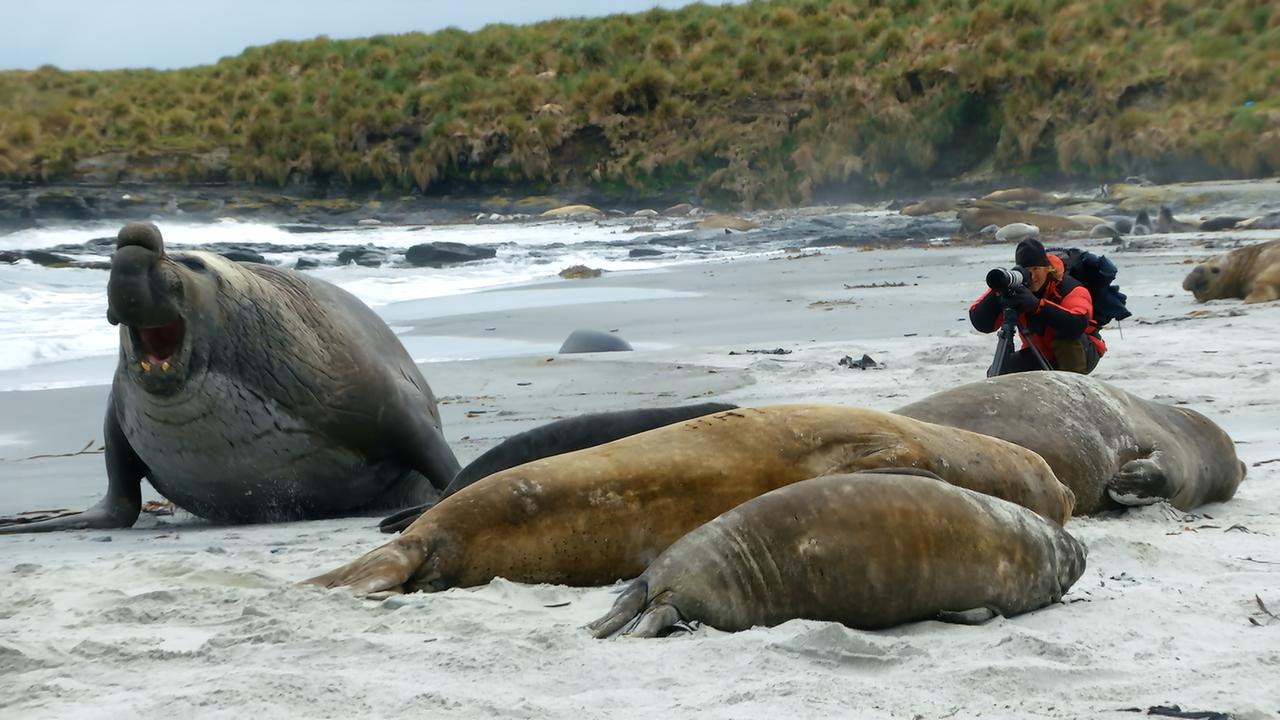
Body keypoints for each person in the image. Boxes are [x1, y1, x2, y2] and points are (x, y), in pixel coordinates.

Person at [970, 238, 1106, 375]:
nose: (1032, 276)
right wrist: (999, 291)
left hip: (1083, 352)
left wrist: (1037, 306)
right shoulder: (1017, 287)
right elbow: (981, 323)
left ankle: (1074, 386)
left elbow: (1077, 325)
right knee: (999, 371)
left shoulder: (1070, 288)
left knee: (1064, 338)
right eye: (1027, 270)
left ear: (1047, 268)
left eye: (1036, 269)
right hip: (1041, 352)